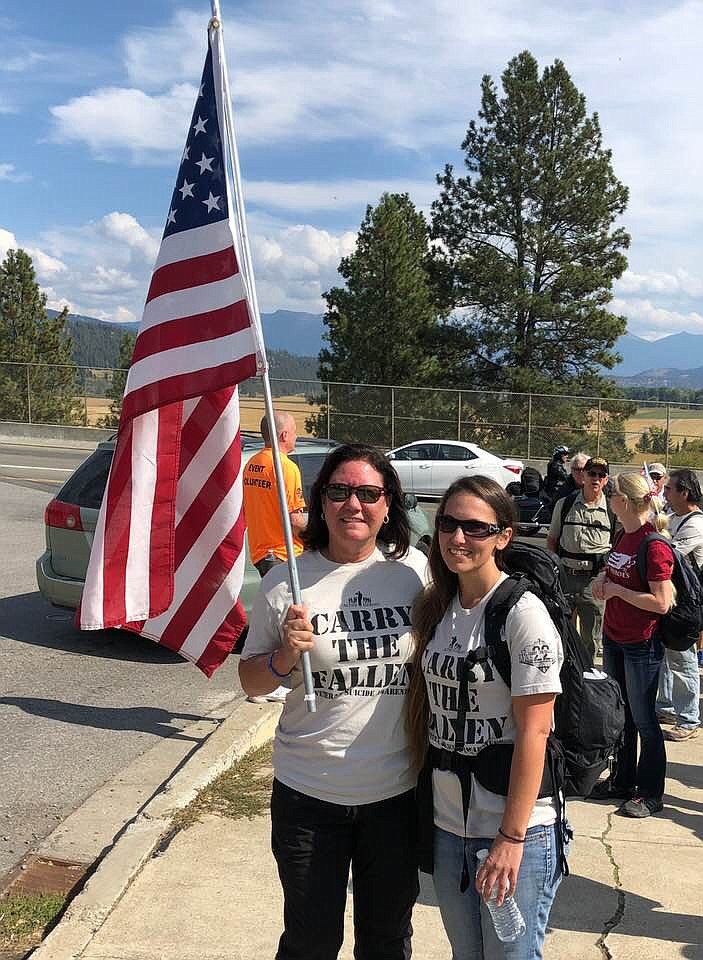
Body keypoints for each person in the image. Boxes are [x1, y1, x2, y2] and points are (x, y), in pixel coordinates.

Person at [239, 443, 427, 960]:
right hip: (308, 795)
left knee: (387, 940)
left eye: (369, 493)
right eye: (340, 491)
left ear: (389, 505)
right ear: (320, 501)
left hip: (395, 797)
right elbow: (250, 680)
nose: (354, 505)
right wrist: (282, 657)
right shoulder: (286, 582)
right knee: (310, 941)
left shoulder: (416, 572)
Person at [407, 475, 567, 960]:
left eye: (476, 528)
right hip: (449, 824)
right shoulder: (439, 606)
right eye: (449, 524)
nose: (459, 538)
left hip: (515, 828)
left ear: (503, 536)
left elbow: (535, 731)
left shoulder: (523, 615)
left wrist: (510, 838)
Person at [590, 472, 673, 818]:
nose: (608, 498)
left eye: (612, 493)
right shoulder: (623, 534)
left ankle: (650, 793)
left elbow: (663, 602)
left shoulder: (652, 544)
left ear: (623, 501)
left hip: (641, 644)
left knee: (643, 720)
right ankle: (622, 780)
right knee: (621, 716)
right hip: (615, 638)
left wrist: (619, 592)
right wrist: (602, 578)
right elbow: (617, 570)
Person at [546, 456, 613, 660]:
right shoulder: (564, 504)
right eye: (591, 473)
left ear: (606, 480)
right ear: (583, 476)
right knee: (559, 633)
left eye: (601, 475)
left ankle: (587, 680)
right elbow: (552, 541)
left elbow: (617, 548)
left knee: (590, 640)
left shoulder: (612, 510)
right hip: (566, 577)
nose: (596, 478)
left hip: (594, 582)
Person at [656, 468, 703, 740]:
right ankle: (665, 706)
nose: (665, 494)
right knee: (667, 655)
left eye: (669, 489)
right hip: (670, 599)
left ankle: (688, 719)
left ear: (684, 492)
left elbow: (668, 555)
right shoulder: (673, 518)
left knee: (683, 658)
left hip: (686, 604)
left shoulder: (695, 524)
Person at [243, 412, 307, 578]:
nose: (297, 436)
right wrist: (317, 537)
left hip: (260, 554)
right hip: (284, 554)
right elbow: (295, 520)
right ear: (284, 435)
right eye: (294, 431)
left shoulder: (251, 464)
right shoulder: (286, 467)